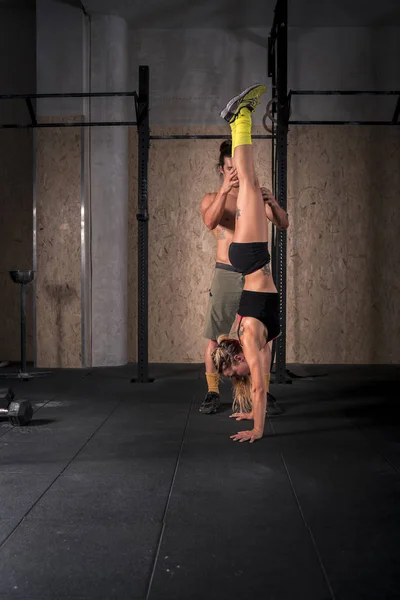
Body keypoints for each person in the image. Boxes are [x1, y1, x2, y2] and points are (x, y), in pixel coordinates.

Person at [211, 83, 289, 443]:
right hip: (251, 260)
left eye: (235, 369)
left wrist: (257, 430)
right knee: (252, 185)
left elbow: (258, 388)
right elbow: (257, 388)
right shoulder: (259, 340)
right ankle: (238, 119)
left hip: (252, 256)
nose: (244, 372)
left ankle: (239, 118)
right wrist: (250, 411)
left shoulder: (247, 335)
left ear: (236, 356)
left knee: (250, 183)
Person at [200, 138, 288, 417]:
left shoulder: (252, 197)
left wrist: (271, 202)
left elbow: (283, 224)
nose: (235, 173)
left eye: (237, 167)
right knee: (216, 337)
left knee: (262, 337)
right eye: (229, 169)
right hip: (226, 271)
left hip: (253, 273)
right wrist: (225, 190)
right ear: (221, 169)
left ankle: (263, 390)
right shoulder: (212, 198)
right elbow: (210, 222)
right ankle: (213, 391)